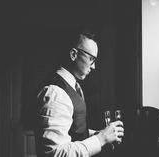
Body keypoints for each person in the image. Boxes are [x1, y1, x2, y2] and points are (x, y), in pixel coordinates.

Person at [33, 29, 124, 157]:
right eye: (91, 59)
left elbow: (74, 131)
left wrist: (99, 134)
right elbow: (54, 153)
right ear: (73, 54)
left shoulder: (74, 86)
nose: (93, 66)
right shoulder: (56, 93)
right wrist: (101, 138)